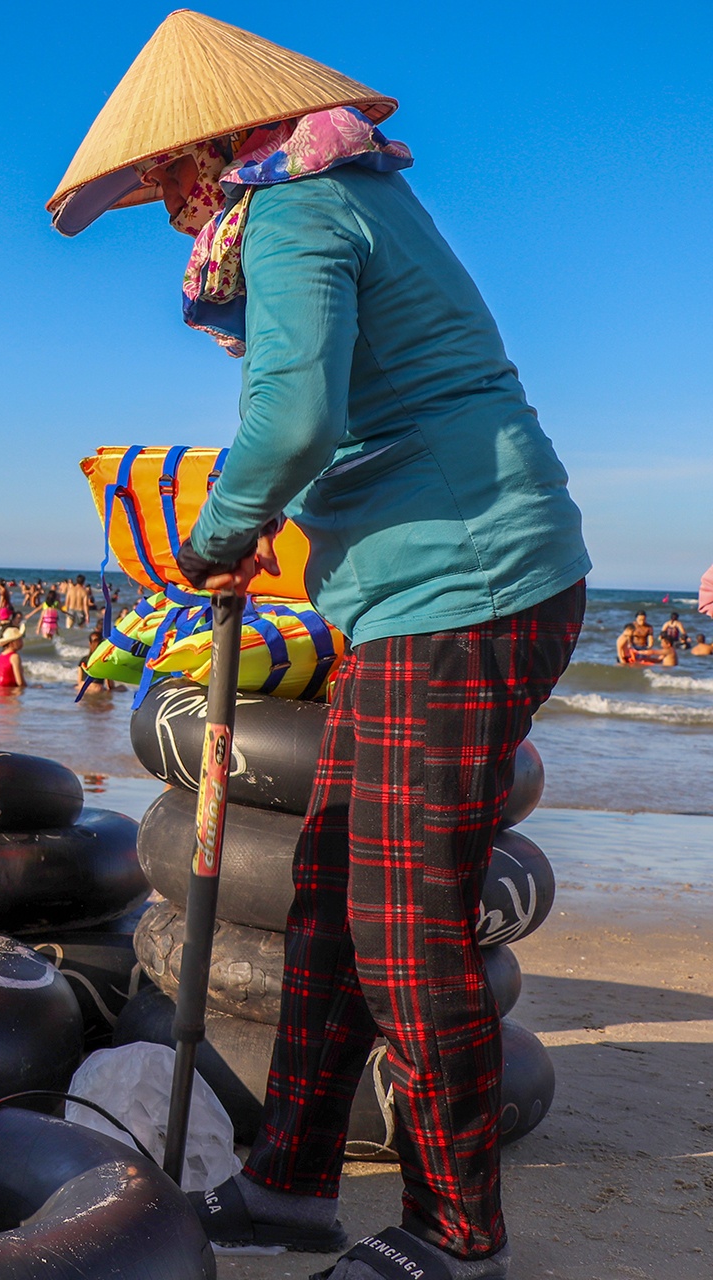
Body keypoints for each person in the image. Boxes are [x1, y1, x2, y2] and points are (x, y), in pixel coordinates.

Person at [49, 13, 590, 1276]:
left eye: (167, 184)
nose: (170, 212)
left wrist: (215, 539)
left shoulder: (293, 210)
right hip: (418, 592)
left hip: (463, 585)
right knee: (334, 897)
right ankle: (288, 1182)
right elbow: (343, 415)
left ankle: (457, 1234)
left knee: (404, 922)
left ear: (210, 150)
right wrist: (265, 520)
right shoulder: (331, 191)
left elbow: (295, 420)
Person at [0, 626, 25, 690]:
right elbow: (20, 682)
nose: (22, 642)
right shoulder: (15, 656)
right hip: (7, 688)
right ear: (12, 643)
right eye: (19, 640)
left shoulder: (2, 655)